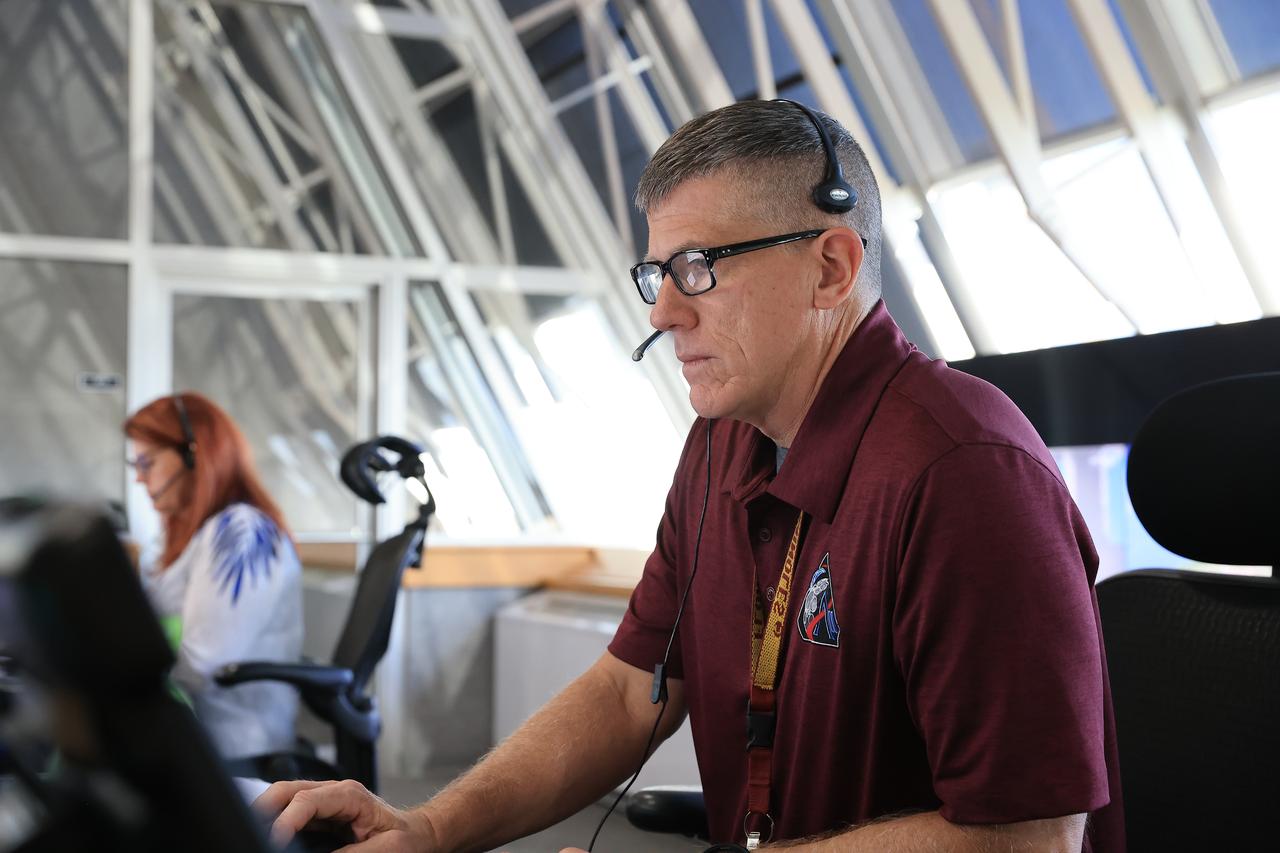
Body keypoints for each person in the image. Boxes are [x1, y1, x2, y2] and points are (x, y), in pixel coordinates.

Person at [256, 100, 1123, 852]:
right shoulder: (721, 445)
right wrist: (431, 828)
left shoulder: (965, 473)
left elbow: (1031, 835)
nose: (664, 312)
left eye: (699, 268)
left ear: (831, 267)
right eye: (656, 273)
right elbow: (631, 690)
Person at [125, 391, 303, 760]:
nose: (141, 479)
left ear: (194, 456)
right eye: (136, 466)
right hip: (192, 733)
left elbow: (201, 664)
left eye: (148, 463)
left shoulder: (241, 533)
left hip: (231, 743)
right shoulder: (203, 536)